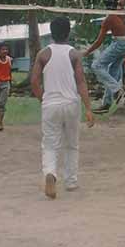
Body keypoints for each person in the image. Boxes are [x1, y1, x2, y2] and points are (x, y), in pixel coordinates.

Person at [30, 17, 95, 200]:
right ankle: (71, 181)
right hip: (71, 103)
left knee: (50, 144)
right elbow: (81, 81)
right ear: (68, 33)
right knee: (72, 144)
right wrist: (88, 108)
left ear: (51, 33)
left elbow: (34, 81)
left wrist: (43, 98)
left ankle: (50, 173)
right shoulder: (74, 54)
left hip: (51, 103)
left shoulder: (43, 54)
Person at [85, 0, 125, 114]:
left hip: (119, 44)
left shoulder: (109, 19)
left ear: (104, 4)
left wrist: (86, 52)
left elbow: (99, 41)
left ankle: (118, 90)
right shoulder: (121, 8)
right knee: (111, 72)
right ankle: (106, 103)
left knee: (97, 65)